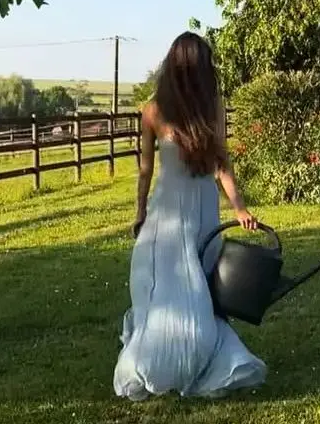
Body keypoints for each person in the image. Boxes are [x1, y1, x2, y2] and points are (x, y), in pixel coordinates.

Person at [113, 32, 267, 400]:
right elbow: (215, 165)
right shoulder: (165, 110)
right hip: (184, 211)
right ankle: (188, 358)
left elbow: (157, 171)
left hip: (183, 209)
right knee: (183, 284)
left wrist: (239, 207)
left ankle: (175, 359)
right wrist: (237, 205)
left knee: (188, 285)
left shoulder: (188, 107)